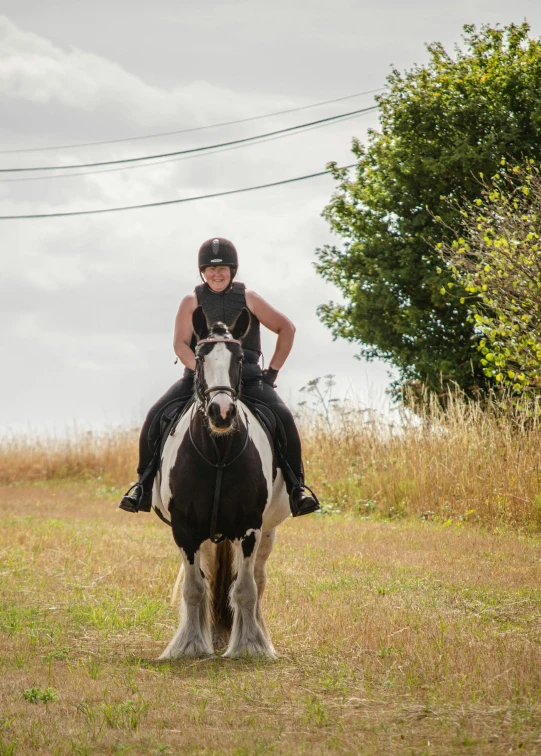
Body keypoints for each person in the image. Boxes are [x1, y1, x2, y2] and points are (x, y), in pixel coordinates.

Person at [119, 237, 320, 517]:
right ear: (202, 272)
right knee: (156, 414)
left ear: (232, 270)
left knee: (283, 417)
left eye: (223, 268)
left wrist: (271, 372)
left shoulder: (249, 298)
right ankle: (142, 486)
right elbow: (180, 344)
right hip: (199, 380)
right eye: (211, 269)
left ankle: (297, 489)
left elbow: (287, 328)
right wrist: (198, 371)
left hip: (246, 378)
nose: (217, 274)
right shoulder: (191, 301)